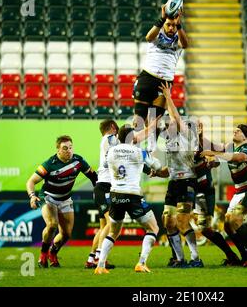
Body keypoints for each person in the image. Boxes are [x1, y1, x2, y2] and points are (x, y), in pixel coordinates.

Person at [94, 125, 163, 274]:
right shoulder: (139, 152)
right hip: (132, 195)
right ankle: (141, 263)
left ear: (118, 137)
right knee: (153, 228)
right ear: (132, 137)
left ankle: (100, 266)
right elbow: (157, 166)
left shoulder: (111, 151)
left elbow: (105, 165)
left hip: (115, 194)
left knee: (113, 233)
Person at [151, 82, 203, 268]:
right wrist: (157, 172)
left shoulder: (188, 134)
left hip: (187, 181)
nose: (169, 123)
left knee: (182, 221)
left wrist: (168, 96)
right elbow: (168, 169)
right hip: (174, 182)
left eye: (172, 122)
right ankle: (180, 259)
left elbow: (175, 116)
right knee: (168, 222)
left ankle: (196, 258)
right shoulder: (168, 139)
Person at [26, 135, 98, 268]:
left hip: (65, 199)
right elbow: (31, 181)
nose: (69, 151)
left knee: (66, 234)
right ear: (58, 150)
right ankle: (43, 255)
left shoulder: (78, 161)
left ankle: (53, 253)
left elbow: (94, 177)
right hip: (48, 198)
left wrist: (100, 191)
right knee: (52, 224)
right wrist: (32, 196)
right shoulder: (49, 164)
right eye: (65, 148)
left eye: (70, 147)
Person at [201, 124, 247, 267]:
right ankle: (243, 257)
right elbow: (215, 149)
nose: (235, 131)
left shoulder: (246, 148)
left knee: (236, 219)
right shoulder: (230, 147)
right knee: (228, 226)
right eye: (234, 129)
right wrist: (199, 136)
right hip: (238, 191)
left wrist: (214, 154)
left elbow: (239, 158)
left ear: (246, 137)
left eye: (239, 131)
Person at [132, 2, 189, 132]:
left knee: (154, 124)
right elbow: (148, 37)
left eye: (174, 26)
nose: (171, 28)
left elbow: (185, 44)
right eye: (168, 25)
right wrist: (162, 18)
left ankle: (151, 151)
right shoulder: (157, 33)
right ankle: (132, 148)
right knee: (138, 120)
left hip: (164, 83)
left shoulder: (178, 37)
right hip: (147, 77)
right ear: (163, 25)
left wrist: (179, 25)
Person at [84, 120, 119, 269]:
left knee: (103, 226)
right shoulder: (110, 139)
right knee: (111, 223)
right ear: (112, 127)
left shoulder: (106, 141)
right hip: (105, 187)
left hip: (101, 187)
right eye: (116, 129)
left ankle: (91, 258)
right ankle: (99, 257)